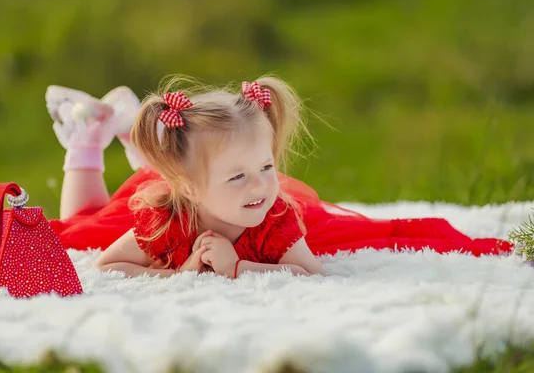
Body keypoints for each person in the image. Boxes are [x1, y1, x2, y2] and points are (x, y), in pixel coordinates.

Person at [44, 76, 515, 279]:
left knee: (347, 234)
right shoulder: (166, 216)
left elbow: (313, 273)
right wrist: (179, 272)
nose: (260, 187)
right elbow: (105, 266)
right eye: (240, 177)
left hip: (203, 189)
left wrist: (239, 268)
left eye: (267, 167)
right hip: (181, 197)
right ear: (186, 185)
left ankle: (129, 134)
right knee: (85, 227)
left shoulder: (276, 217)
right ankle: (90, 140)